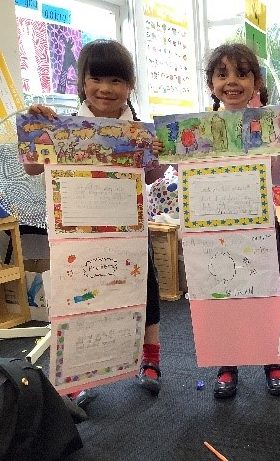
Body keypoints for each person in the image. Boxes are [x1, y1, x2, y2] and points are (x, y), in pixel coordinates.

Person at [26, 39, 166, 409]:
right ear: (83, 83)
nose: (105, 89)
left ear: (130, 86)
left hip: (128, 227)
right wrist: (38, 128)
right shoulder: (62, 125)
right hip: (77, 231)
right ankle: (76, 373)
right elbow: (32, 166)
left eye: (116, 80)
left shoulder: (138, 131)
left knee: (144, 287)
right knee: (76, 295)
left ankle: (150, 357)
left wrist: (161, 155)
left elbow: (151, 176)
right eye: (97, 79)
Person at [204, 43, 280, 399]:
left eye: (242, 74)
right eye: (222, 74)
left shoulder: (268, 124)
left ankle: (272, 361)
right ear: (211, 84)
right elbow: (190, 175)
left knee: (267, 291)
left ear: (256, 82)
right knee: (223, 293)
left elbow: (279, 177)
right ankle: (227, 363)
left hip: (259, 223)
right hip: (217, 226)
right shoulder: (201, 128)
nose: (232, 81)